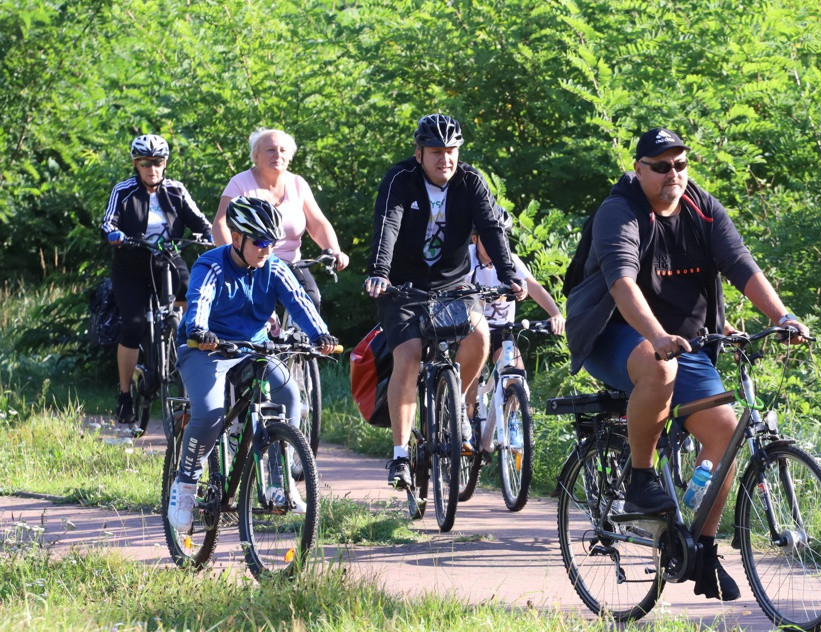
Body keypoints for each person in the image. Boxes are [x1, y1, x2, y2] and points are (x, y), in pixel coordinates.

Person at [565, 127, 810, 601]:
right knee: (658, 368)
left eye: (679, 164)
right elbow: (621, 282)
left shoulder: (701, 206)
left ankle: (699, 548)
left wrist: (782, 316)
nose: (672, 175)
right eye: (660, 167)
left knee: (724, 434)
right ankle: (640, 479)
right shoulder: (620, 211)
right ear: (639, 169)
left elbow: (741, 265)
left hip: (683, 342)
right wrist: (655, 336)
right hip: (611, 333)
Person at [364, 113, 525, 490]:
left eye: (451, 151)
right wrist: (379, 272)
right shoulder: (400, 179)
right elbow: (387, 222)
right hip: (402, 286)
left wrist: (507, 275)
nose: (445, 159)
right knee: (409, 354)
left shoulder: (471, 182)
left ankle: (460, 408)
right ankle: (401, 454)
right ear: (419, 153)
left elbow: (490, 227)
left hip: (452, 284)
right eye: (436, 151)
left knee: (479, 336)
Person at [166, 196, 338, 531]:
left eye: (272, 242)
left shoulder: (273, 267)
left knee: (289, 396)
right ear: (236, 237)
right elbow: (199, 300)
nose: (267, 249)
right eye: (259, 241)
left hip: (252, 349)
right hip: (204, 348)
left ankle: (276, 482)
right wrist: (200, 330)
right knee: (210, 414)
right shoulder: (211, 264)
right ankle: (185, 484)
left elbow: (299, 301)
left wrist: (320, 334)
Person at [100, 134, 213, 424]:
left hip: (167, 259)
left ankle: (192, 368)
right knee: (133, 325)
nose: (152, 168)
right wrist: (114, 234)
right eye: (145, 163)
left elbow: (200, 221)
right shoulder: (123, 191)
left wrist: (209, 237)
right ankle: (125, 394)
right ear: (135, 164)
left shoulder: (176, 190)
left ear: (165, 163)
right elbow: (108, 221)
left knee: (195, 303)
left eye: (158, 162)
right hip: (132, 264)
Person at [211, 128, 349, 310]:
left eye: (283, 150)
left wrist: (334, 250)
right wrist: (234, 260)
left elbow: (318, 223)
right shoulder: (240, 183)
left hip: (291, 264)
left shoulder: (298, 184)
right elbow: (220, 224)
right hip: (253, 264)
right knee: (256, 310)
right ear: (256, 156)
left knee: (311, 301)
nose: (277, 155)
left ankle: (304, 338)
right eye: (270, 150)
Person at [463, 213, 565, 444]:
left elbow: (535, 288)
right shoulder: (466, 259)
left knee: (515, 374)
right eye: (487, 239)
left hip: (502, 330)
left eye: (499, 238)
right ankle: (467, 426)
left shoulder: (511, 261)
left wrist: (556, 314)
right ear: (475, 239)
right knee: (471, 378)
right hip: (472, 331)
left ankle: (512, 421)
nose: (494, 245)